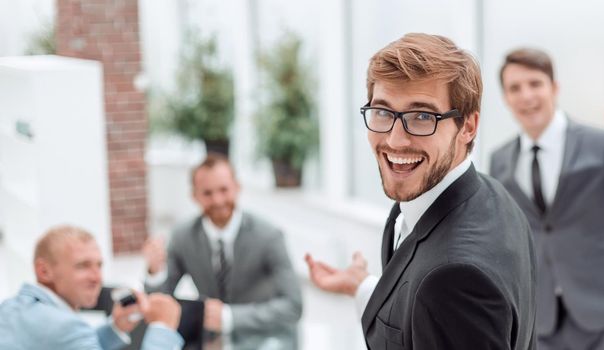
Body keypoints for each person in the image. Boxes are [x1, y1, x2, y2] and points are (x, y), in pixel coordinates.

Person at [305, 33, 536, 349]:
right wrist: (363, 287)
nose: (396, 140)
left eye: (423, 116)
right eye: (384, 112)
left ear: (468, 126)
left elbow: (442, 296)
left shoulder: (454, 280)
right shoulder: (490, 196)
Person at [489, 48, 604, 350]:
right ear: (506, 98)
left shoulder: (602, 144)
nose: (526, 96)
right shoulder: (500, 161)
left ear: (554, 87)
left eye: (535, 84)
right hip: (541, 322)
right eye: (515, 88)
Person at [143, 154, 302, 349]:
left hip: (264, 338)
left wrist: (229, 316)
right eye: (207, 193)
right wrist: (155, 272)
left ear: (237, 187)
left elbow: (293, 305)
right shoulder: (182, 236)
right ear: (194, 196)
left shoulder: (269, 236)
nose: (217, 200)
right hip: (212, 341)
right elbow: (161, 307)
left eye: (224, 190)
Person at [0, 225, 183, 350]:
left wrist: (115, 328)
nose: (97, 277)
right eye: (83, 266)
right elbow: (69, 336)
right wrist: (162, 328)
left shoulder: (8, 309)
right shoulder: (68, 327)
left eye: (99, 265)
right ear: (44, 271)